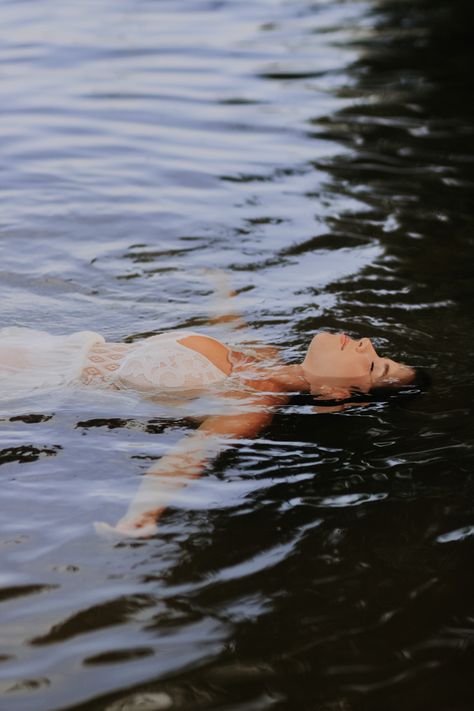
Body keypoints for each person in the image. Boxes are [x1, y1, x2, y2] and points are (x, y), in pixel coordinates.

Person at [0, 274, 418, 538]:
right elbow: (230, 324)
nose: (367, 343)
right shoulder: (262, 355)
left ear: (336, 396)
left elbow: (187, 457)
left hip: (31, 382)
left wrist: (142, 515)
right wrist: (222, 286)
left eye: (377, 366)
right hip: (44, 345)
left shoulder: (252, 404)